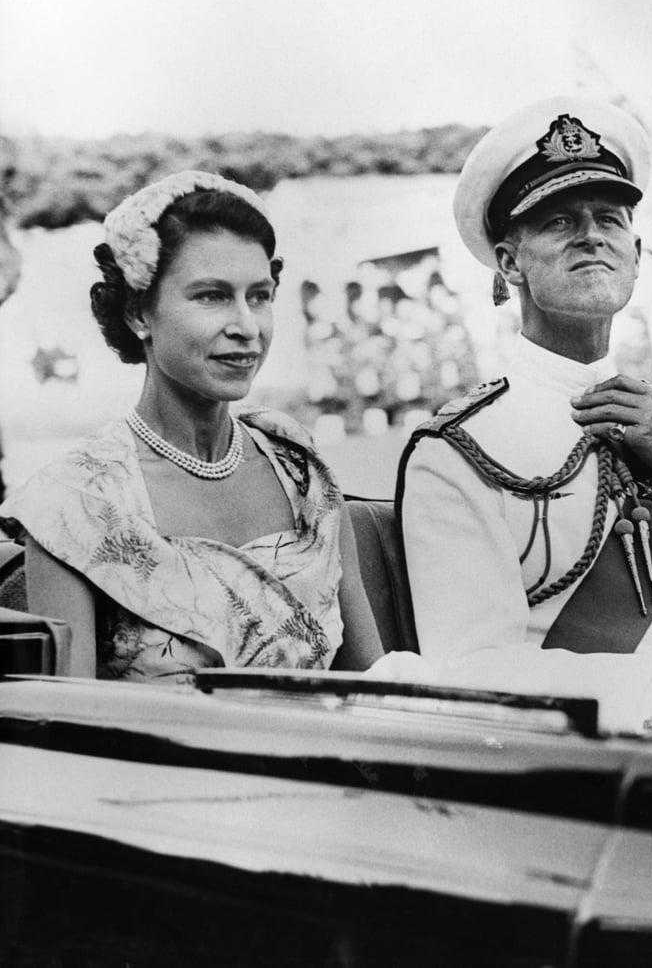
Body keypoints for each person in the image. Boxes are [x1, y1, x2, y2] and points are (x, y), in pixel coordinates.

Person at [397, 97, 652, 733]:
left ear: (635, 251)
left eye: (608, 217)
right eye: (558, 221)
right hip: (605, 769)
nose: (591, 234)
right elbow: (470, 666)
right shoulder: (459, 448)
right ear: (508, 262)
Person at [0, 170, 382, 680]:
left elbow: (375, 679)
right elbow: (71, 727)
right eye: (211, 296)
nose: (246, 326)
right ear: (139, 313)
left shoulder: (297, 464)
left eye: (260, 296)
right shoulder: (74, 503)